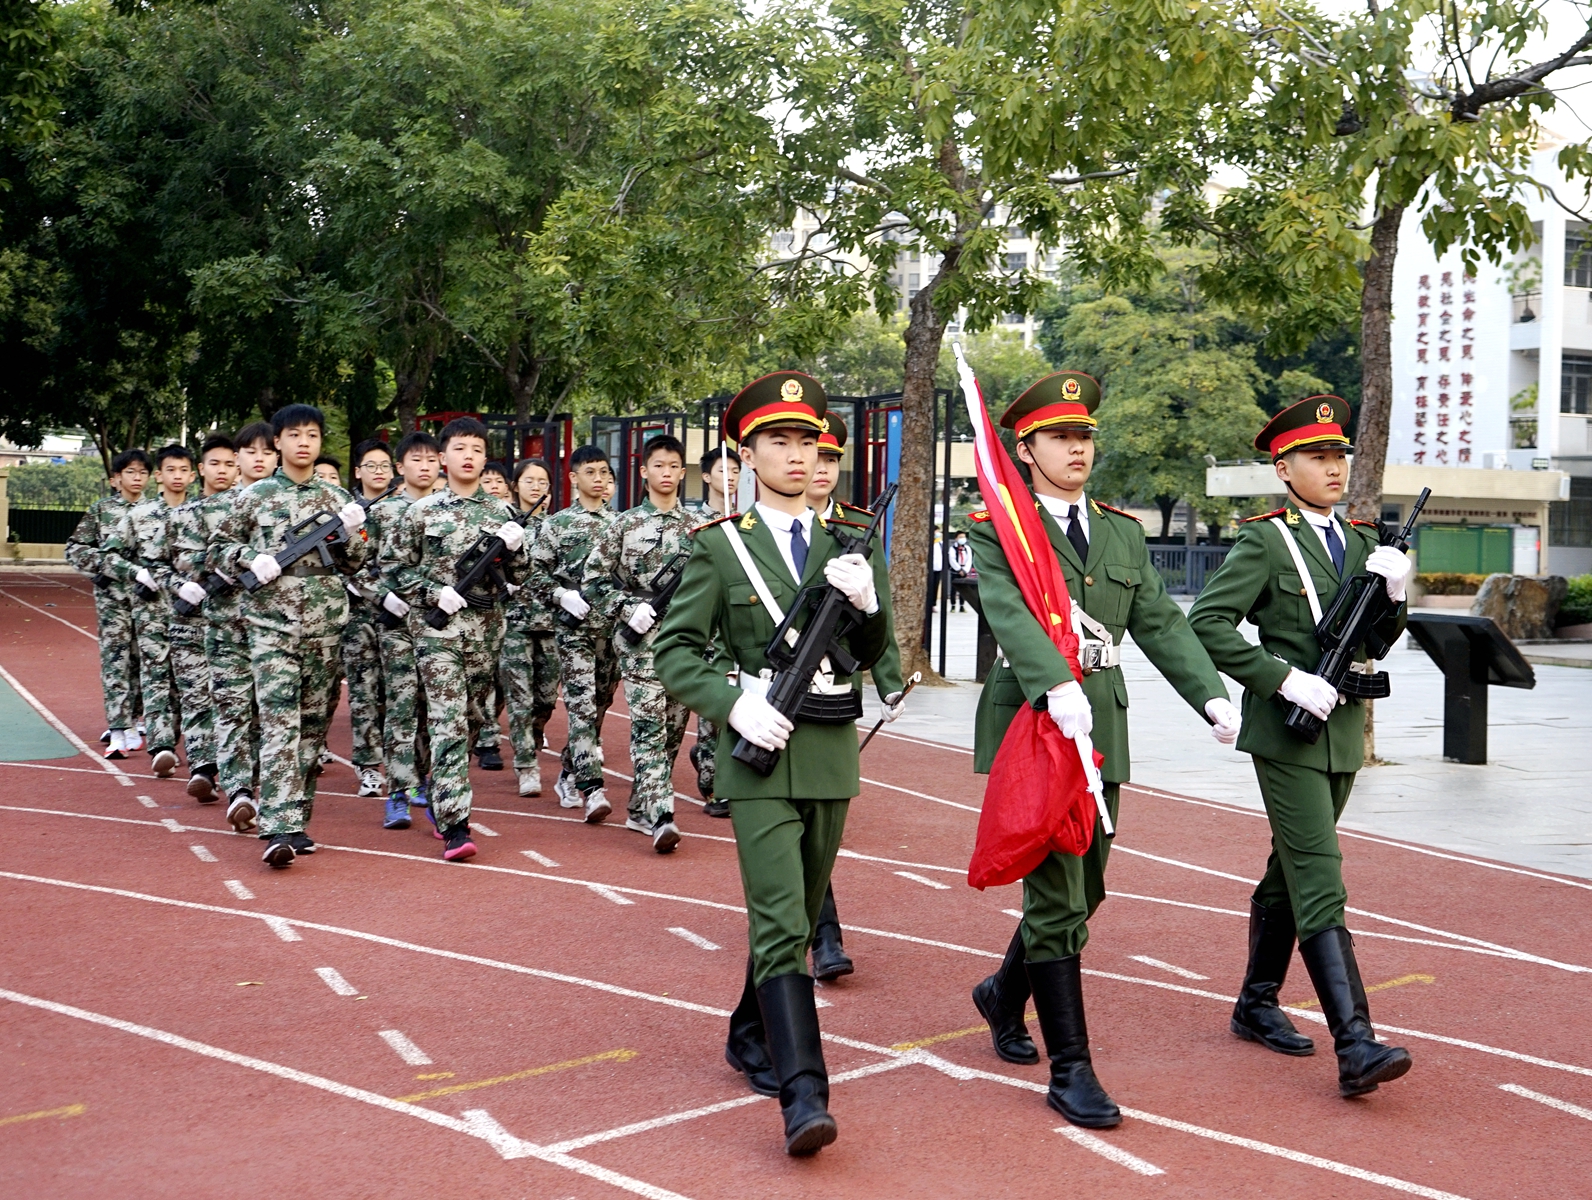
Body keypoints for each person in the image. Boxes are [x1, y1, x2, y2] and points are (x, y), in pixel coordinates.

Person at [967, 370, 1238, 1129]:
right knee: (1055, 897)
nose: (1077, 448)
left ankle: (1000, 994)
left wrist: (1209, 693)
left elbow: (1158, 618)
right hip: (1036, 721)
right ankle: (1073, 1071)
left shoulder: (1119, 530)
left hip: (1102, 727)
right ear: (1026, 449)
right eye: (1060, 437)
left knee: (1087, 892)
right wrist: (1054, 682)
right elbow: (1010, 614)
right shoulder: (998, 527)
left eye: (1085, 436)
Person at [655, 372, 897, 1157]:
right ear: (746, 452)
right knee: (782, 920)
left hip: (829, 754)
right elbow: (676, 651)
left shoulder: (848, 546)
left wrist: (870, 609)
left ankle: (746, 1033)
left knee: (789, 916)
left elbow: (873, 653)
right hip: (757, 758)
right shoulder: (721, 548)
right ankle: (805, 1096)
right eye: (779, 442)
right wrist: (731, 701)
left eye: (808, 442)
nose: (797, 456)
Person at [1189, 395, 1414, 1099]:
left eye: (1339, 456)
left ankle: (1256, 1003)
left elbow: (1375, 640)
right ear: (1283, 467)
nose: (1333, 467)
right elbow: (1209, 620)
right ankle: (1356, 1044)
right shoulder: (1264, 541)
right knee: (1320, 875)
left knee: (1290, 873)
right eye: (1318, 457)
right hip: (1287, 734)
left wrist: (1396, 595)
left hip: (1342, 729)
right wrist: (1279, 679)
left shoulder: (1355, 541)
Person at [211, 405, 370, 867]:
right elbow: (218, 549)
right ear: (277, 442)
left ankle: (297, 817)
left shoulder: (335, 496)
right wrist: (247, 557)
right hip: (270, 625)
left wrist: (354, 533)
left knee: (313, 726)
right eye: (294, 434)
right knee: (280, 720)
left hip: (324, 625)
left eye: (313, 435)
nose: (304, 442)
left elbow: (355, 563)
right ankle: (279, 825)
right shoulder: (253, 496)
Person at [384, 417, 527, 861]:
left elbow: (520, 579)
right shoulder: (420, 512)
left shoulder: (502, 515)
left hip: (485, 634)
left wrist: (518, 548)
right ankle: (455, 824)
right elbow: (393, 568)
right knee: (447, 720)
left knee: (473, 719)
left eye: (477, 449)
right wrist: (432, 592)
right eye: (460, 448)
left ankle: (436, 784)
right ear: (443, 457)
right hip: (436, 633)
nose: (469, 456)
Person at [802, 410, 910, 982]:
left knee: (822, 814)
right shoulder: (761, 527)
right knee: (790, 812)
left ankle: (817, 926)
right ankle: (823, 934)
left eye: (831, 459)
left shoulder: (860, 527)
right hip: (772, 684)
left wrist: (889, 680)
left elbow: (879, 610)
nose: (821, 469)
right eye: (814, 456)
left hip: (835, 685)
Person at [584, 434, 696, 853]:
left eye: (673, 467)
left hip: (684, 643)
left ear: (682, 474)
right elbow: (594, 581)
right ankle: (662, 814)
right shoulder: (624, 525)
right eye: (658, 466)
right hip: (639, 642)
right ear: (644, 472)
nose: (665, 473)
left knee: (671, 730)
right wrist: (627, 606)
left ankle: (638, 804)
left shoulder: (699, 528)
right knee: (648, 728)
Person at [180, 423, 277, 832]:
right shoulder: (210, 510)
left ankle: (261, 788)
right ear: (237, 458)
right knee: (233, 707)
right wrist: (236, 564)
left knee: (269, 713)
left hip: (277, 626)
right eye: (249, 451)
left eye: (267, 451)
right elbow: (186, 560)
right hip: (226, 624)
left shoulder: (289, 505)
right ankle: (239, 791)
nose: (258, 458)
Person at [528, 444, 618, 822]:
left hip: (611, 631)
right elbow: (534, 575)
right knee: (580, 706)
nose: (598, 479)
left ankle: (568, 769)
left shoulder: (620, 525)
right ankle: (592, 787)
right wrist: (561, 595)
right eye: (590, 472)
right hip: (573, 631)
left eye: (603, 472)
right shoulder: (556, 525)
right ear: (574, 478)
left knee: (599, 705)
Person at [103, 444, 198, 780]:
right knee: (155, 676)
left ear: (192, 474)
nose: (176, 476)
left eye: (183, 470)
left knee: (184, 682)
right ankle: (162, 747)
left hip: (192, 611)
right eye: (170, 470)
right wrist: (137, 573)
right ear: (159, 475)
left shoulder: (199, 514)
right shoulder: (138, 516)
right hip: (151, 610)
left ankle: (175, 740)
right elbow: (110, 556)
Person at [367, 431, 441, 829]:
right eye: (416, 459)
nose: (424, 466)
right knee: (401, 705)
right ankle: (397, 791)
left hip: (442, 626)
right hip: (398, 623)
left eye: (431, 459)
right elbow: (357, 565)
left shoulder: (450, 510)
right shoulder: (382, 512)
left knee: (436, 709)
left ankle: (426, 781)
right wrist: (383, 596)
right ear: (401, 467)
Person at [165, 435, 238, 802]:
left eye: (228, 464)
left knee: (230, 699)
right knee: (196, 695)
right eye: (215, 463)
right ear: (201, 470)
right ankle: (203, 768)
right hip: (190, 619)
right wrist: (177, 584)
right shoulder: (180, 515)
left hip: (232, 620)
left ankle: (234, 770)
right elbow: (159, 565)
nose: (221, 470)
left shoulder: (245, 511)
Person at [66, 449, 151, 760]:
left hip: (147, 601)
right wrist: (99, 571)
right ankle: (118, 726)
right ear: (116, 479)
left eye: (142, 472)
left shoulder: (156, 511)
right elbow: (74, 549)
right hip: (113, 600)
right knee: (115, 661)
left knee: (143, 662)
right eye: (130, 472)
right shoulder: (101, 510)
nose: (137, 477)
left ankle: (134, 719)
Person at [342, 438, 397, 799]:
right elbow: (347, 565)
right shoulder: (348, 511)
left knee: (395, 693)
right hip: (359, 614)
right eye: (371, 466)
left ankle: (400, 764)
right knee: (363, 691)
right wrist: (381, 594)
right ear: (358, 471)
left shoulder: (404, 509)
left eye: (385, 466)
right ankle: (367, 766)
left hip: (399, 616)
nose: (379, 472)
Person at [502, 457, 559, 797]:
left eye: (542, 481)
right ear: (515, 485)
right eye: (529, 480)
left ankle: (534, 737)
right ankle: (526, 764)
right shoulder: (504, 523)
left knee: (547, 698)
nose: (536, 487)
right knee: (519, 698)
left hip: (551, 622)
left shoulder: (557, 525)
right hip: (513, 623)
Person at [691, 445, 741, 817]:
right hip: (702, 627)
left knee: (730, 706)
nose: (730, 477)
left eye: (736, 471)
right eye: (722, 471)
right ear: (706, 477)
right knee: (710, 706)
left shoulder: (746, 523)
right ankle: (713, 784)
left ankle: (720, 779)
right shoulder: (693, 524)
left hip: (733, 629)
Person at [948, 530, 973, 611]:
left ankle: (962, 606)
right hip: (956, 570)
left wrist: (965, 570)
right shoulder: (952, 548)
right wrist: (959, 569)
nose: (962, 539)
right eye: (960, 537)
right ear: (956, 538)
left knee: (963, 589)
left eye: (964, 537)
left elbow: (969, 560)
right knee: (954, 589)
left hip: (964, 570)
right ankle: (953, 605)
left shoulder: (967, 548)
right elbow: (952, 560)